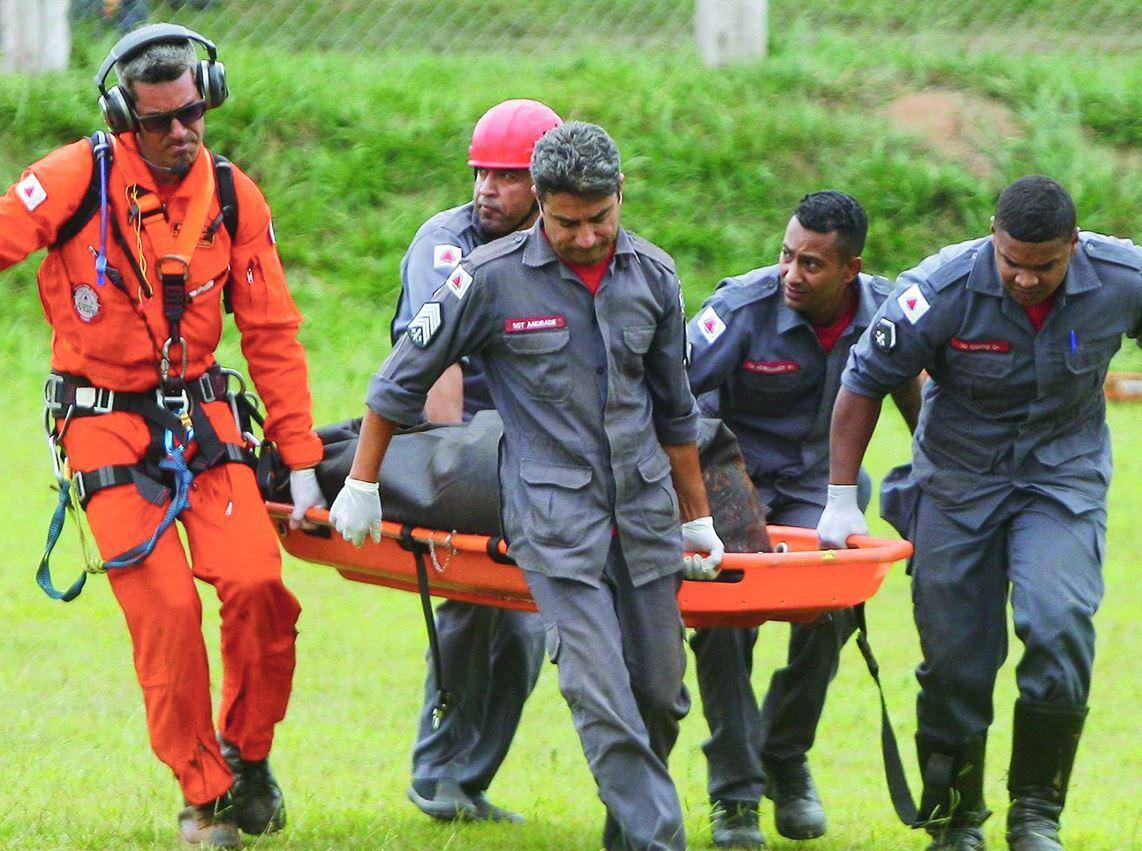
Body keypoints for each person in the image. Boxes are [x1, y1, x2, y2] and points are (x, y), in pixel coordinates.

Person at [330, 121, 725, 851]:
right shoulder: (487, 278)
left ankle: (627, 831)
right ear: (541, 202)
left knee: (660, 697)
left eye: (600, 218)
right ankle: (658, 839)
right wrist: (361, 483)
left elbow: (677, 410)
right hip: (553, 518)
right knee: (597, 691)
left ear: (620, 197)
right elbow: (397, 384)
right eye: (567, 221)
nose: (584, 236)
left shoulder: (655, 277)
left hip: (642, 513)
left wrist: (696, 518)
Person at [0, 24, 326, 849]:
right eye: (160, 122)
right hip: (102, 421)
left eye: (193, 113)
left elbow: (274, 333)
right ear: (122, 118)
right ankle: (204, 794)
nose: (181, 132)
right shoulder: (76, 178)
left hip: (202, 417)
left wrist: (303, 459)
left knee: (259, 585)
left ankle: (248, 757)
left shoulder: (233, 194)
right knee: (168, 611)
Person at [818, 176, 1142, 851]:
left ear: (1073, 246)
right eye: (1012, 261)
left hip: (1061, 480)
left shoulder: (1122, 279)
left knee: (1057, 624)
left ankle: (1035, 812)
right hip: (957, 485)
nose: (1025, 278)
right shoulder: (939, 289)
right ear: (994, 235)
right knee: (957, 660)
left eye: (1044, 265)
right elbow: (862, 384)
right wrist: (841, 502)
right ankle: (954, 818)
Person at [686, 190, 922, 848]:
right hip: (732, 478)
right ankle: (734, 790)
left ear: (851, 269)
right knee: (723, 620)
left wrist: (938, 494)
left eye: (812, 264)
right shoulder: (739, 308)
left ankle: (783, 755)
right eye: (787, 255)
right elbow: (670, 397)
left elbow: (920, 410)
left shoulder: (887, 313)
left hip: (824, 486)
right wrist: (699, 498)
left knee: (835, 604)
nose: (792, 273)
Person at [391, 99, 562, 823]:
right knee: (473, 600)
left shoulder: (566, 238)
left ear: (545, 184)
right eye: (480, 172)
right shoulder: (446, 242)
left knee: (526, 626)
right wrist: (459, 482)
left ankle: (465, 780)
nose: (487, 189)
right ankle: (437, 773)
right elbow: (437, 372)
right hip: (452, 440)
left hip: (529, 447)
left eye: (507, 175)